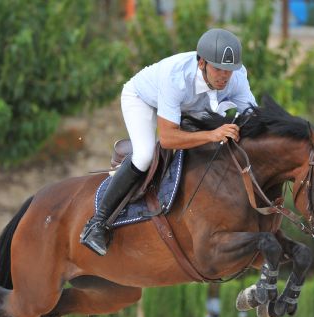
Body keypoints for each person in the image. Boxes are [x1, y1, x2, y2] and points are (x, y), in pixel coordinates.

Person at [80, 28, 257, 256]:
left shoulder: (237, 77)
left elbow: (253, 117)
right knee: (144, 155)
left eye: (229, 71)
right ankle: (97, 223)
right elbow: (168, 138)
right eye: (218, 69)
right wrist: (213, 134)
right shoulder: (177, 77)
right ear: (201, 63)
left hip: (189, 106)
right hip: (143, 99)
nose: (224, 76)